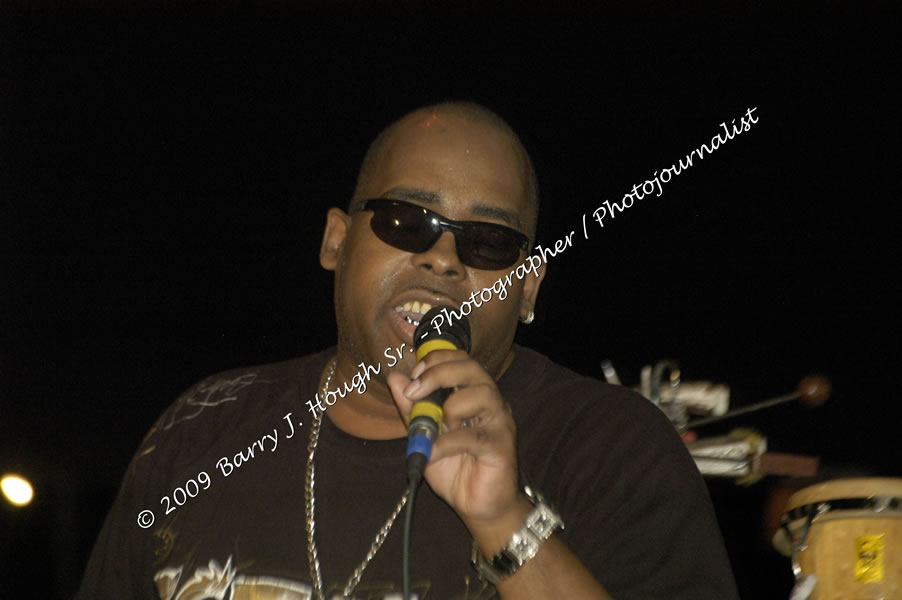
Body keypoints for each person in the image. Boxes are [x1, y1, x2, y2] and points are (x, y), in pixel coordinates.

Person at [76, 101, 739, 599]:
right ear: (337, 241)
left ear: (528, 287)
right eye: (406, 221)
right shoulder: (204, 428)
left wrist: (506, 522)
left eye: (487, 243)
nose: (442, 258)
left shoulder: (613, 448)